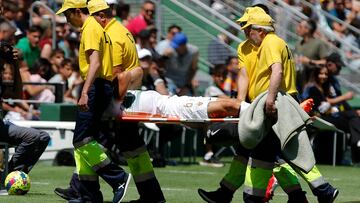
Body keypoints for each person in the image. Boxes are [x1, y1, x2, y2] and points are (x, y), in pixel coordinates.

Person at [198, 6, 338, 203]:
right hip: (259, 104)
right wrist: (239, 102)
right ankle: (317, 191)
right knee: (262, 150)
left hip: (277, 102)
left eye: (248, 27)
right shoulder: (245, 47)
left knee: (274, 150)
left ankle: (314, 190)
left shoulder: (271, 43)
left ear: (261, 29)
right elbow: (245, 74)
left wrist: (270, 100)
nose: (244, 31)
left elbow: (277, 72)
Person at [54, 1, 166, 203]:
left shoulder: (109, 34)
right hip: (126, 97)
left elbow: (115, 73)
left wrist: (108, 104)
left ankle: (96, 186)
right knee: (131, 147)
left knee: (87, 141)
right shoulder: (120, 31)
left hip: (116, 98)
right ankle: (151, 196)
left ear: (101, 16)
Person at [55, 1, 131, 202]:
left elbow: (95, 63)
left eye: (67, 15)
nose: (66, 19)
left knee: (81, 141)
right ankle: (89, 195)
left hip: (95, 86)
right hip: (102, 86)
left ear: (77, 11)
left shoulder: (89, 28)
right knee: (88, 140)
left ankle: (118, 178)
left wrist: (85, 92)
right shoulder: (97, 27)